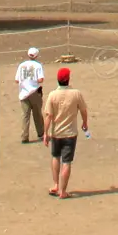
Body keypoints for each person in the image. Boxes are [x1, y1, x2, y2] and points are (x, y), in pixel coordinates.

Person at [43, 67, 89, 199]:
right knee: (67, 162)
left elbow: (48, 116)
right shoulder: (76, 93)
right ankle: (63, 191)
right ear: (68, 79)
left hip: (56, 133)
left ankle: (56, 185)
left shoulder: (52, 95)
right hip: (70, 133)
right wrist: (85, 123)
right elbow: (83, 110)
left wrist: (45, 133)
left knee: (55, 157)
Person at [15, 47, 44, 143]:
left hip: (23, 93)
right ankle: (41, 134)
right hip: (34, 92)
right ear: (36, 55)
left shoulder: (21, 65)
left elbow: (17, 80)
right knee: (37, 115)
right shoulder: (38, 65)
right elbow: (40, 80)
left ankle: (24, 137)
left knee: (25, 116)